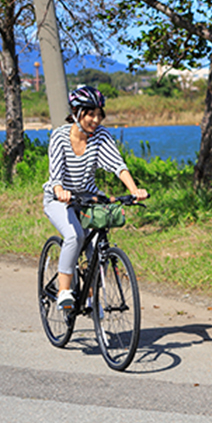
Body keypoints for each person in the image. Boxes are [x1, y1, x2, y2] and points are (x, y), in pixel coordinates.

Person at [42, 85, 148, 310]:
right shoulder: (60, 136)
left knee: (98, 247)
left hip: (88, 197)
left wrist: (134, 190)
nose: (96, 120)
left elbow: (117, 165)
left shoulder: (100, 135)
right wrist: (60, 190)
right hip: (58, 198)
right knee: (75, 236)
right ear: (76, 112)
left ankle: (91, 297)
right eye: (90, 114)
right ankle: (63, 291)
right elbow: (55, 174)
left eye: (99, 114)